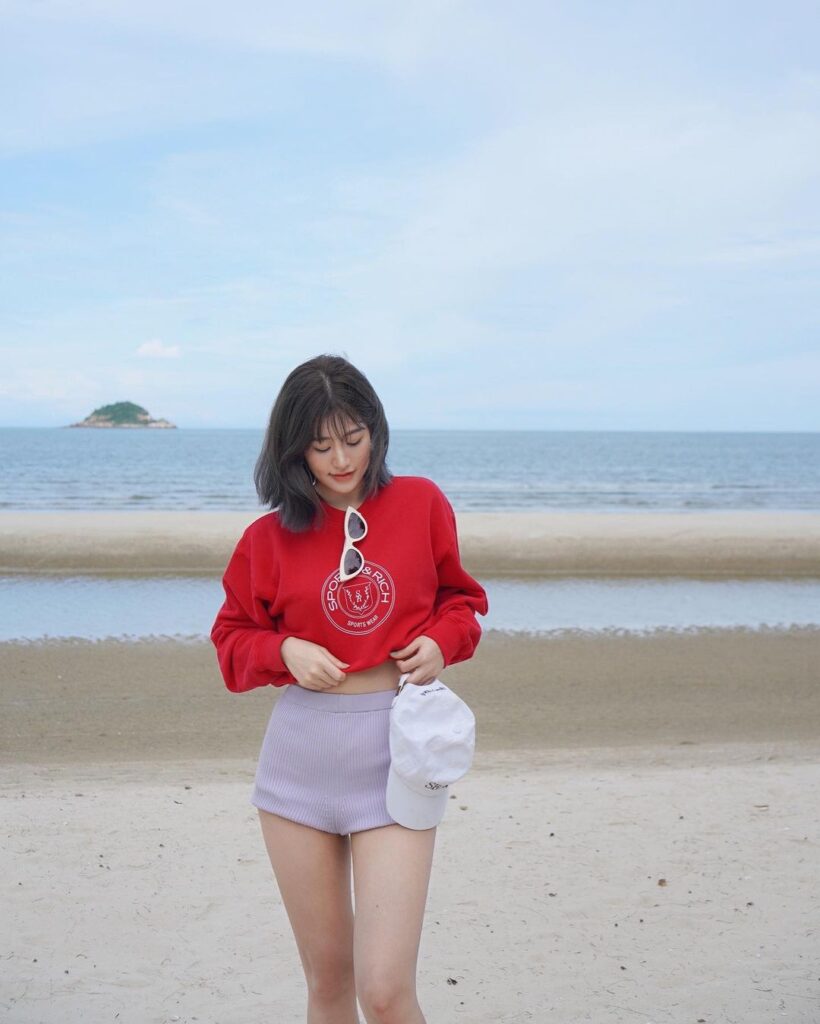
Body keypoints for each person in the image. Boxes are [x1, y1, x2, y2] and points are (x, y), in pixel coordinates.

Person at [210, 353, 488, 1024]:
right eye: (320, 445)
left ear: (375, 431)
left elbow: (461, 602)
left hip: (397, 755)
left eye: (354, 439)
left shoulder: (420, 504)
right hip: (300, 761)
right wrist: (283, 649)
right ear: (292, 450)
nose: (341, 460)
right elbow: (231, 641)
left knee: (385, 993)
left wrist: (441, 642)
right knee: (329, 985)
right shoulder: (266, 540)